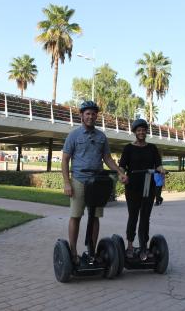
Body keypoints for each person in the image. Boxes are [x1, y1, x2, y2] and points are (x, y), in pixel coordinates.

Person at [61, 101, 128, 264]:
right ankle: (73, 252)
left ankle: (92, 251)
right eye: (87, 113)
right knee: (75, 216)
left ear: (96, 116)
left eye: (93, 113)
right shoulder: (74, 135)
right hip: (79, 180)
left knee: (95, 217)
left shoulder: (101, 136)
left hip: (97, 182)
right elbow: (64, 160)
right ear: (82, 116)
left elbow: (107, 158)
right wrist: (67, 183)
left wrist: (120, 172)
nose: (91, 116)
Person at [119, 119, 165, 261]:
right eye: (138, 130)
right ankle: (130, 245)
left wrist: (161, 169)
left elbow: (158, 165)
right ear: (134, 132)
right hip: (132, 186)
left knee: (145, 217)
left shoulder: (152, 148)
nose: (141, 132)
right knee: (133, 215)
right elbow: (122, 166)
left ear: (146, 132)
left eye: (143, 130)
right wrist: (122, 175)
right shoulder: (128, 148)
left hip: (148, 186)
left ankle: (144, 246)